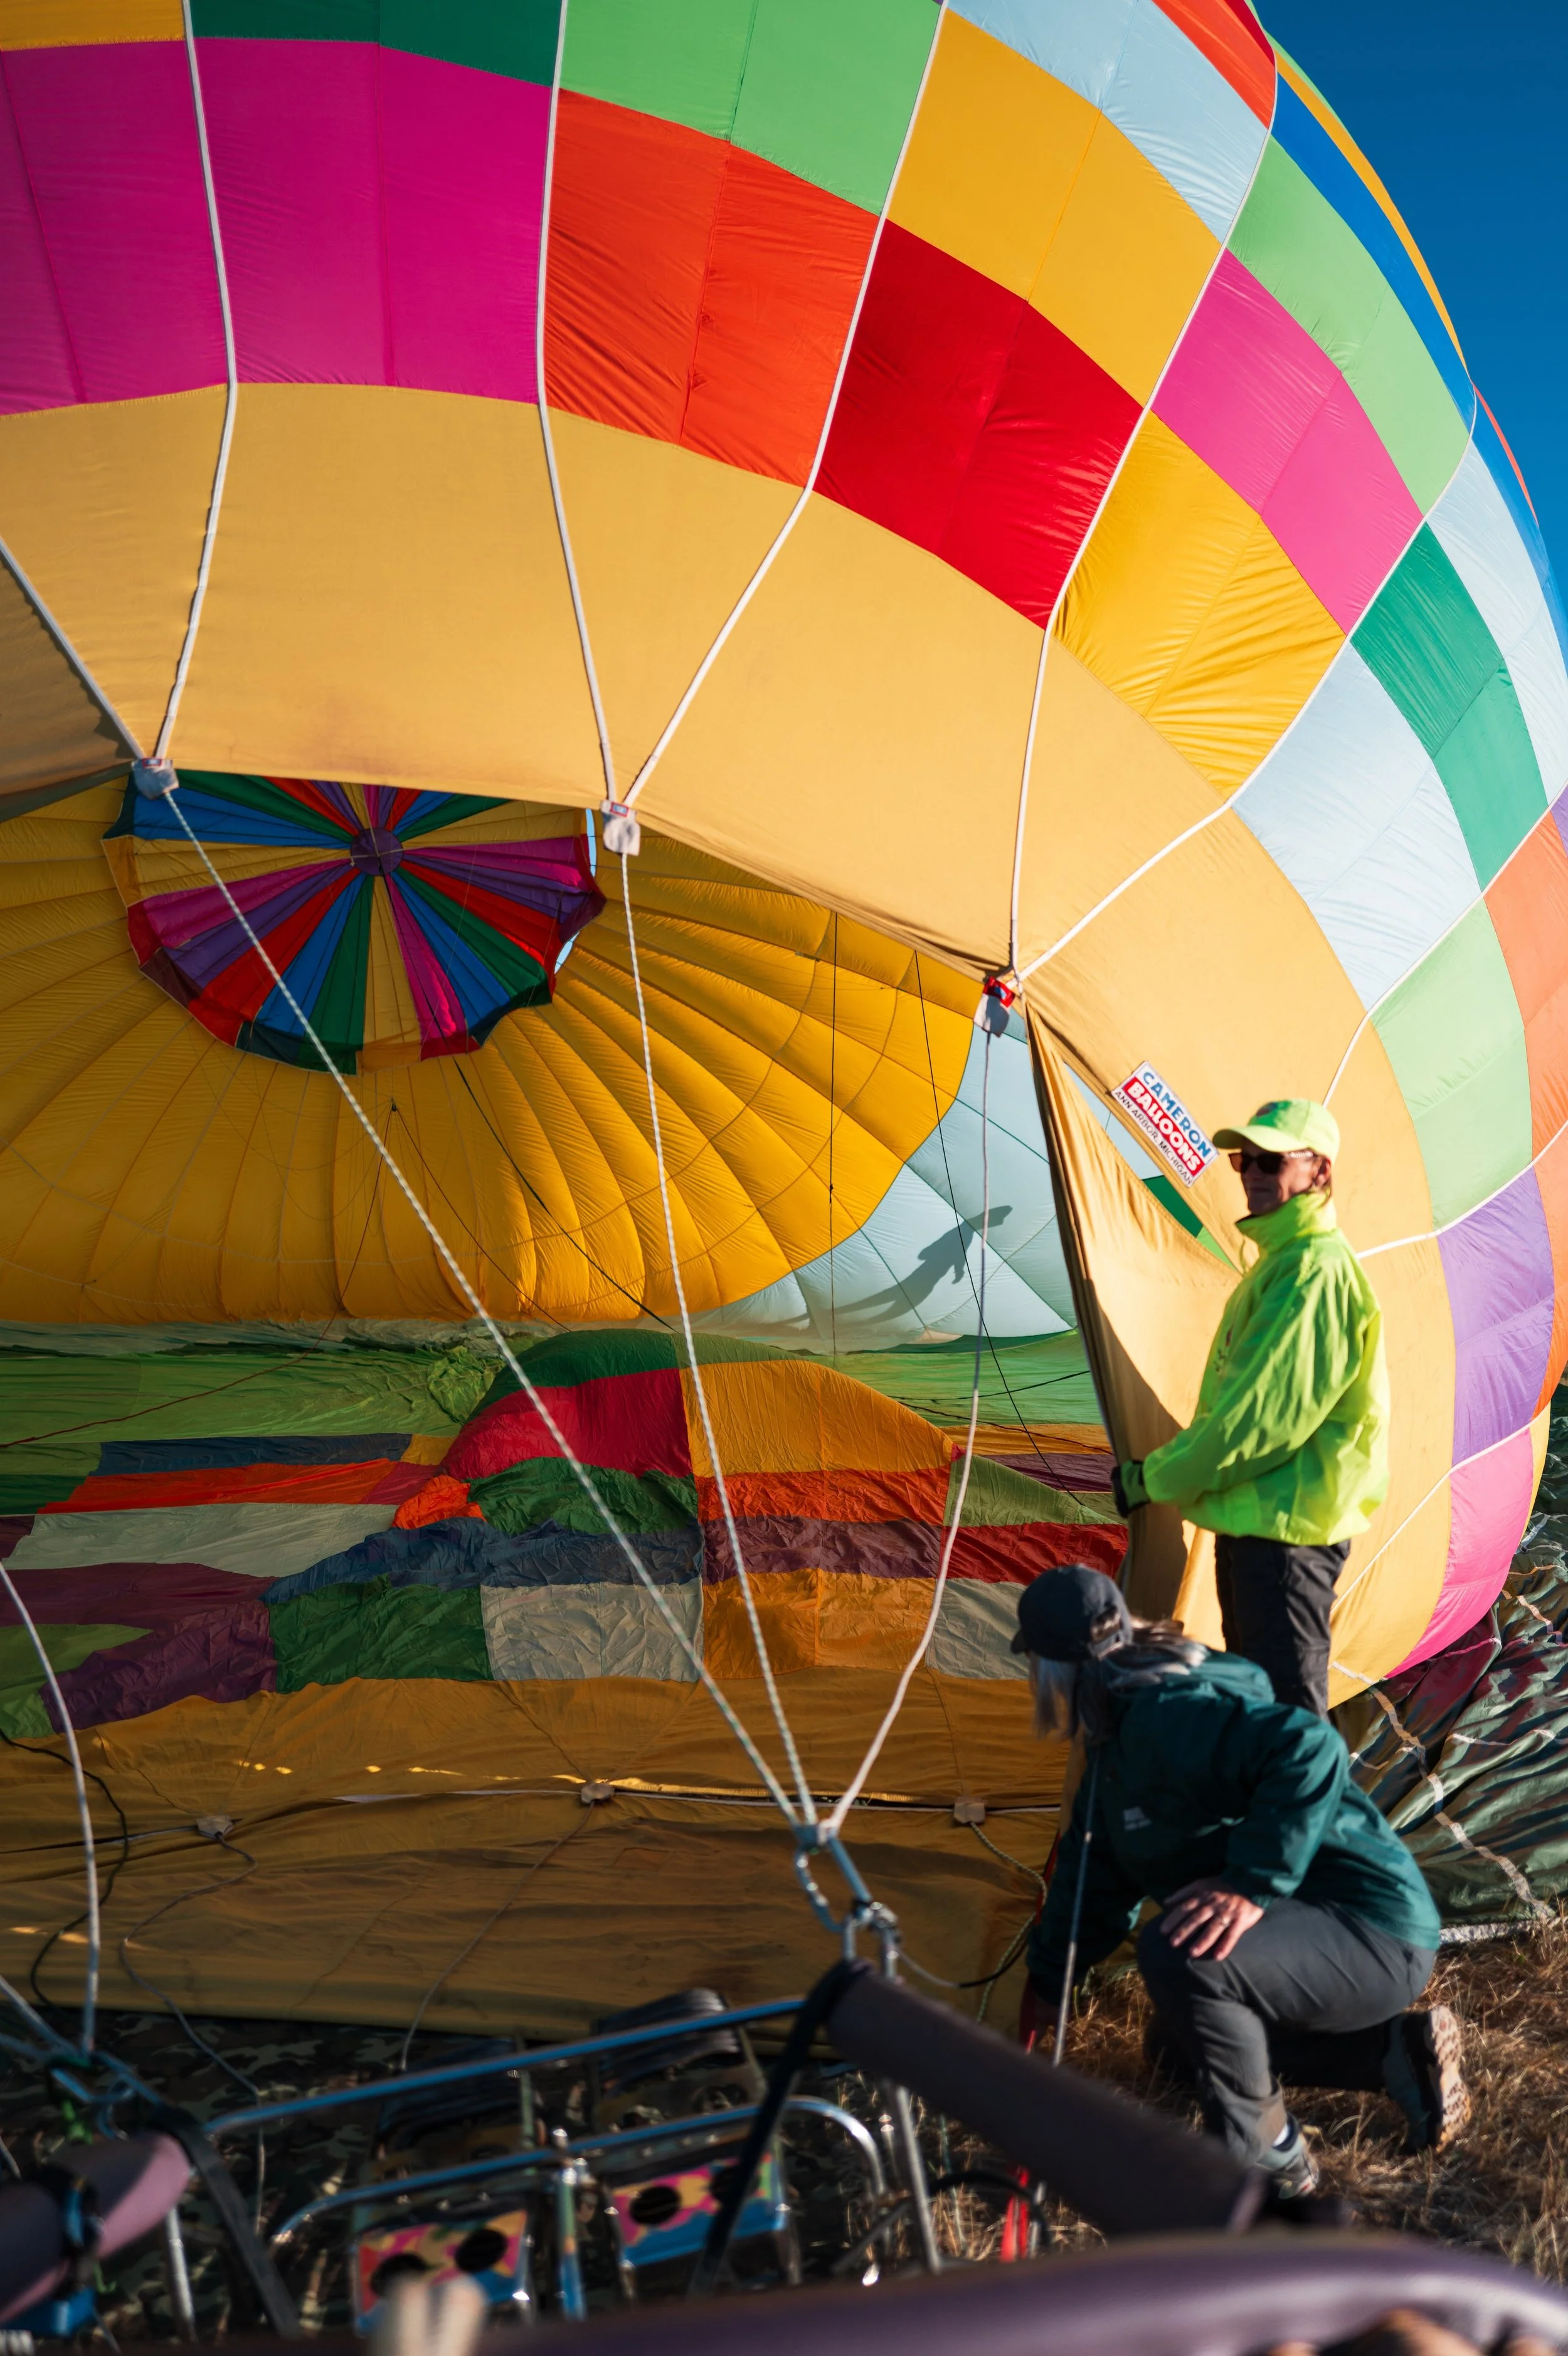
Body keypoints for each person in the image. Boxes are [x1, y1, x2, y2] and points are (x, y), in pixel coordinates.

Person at [1014, 1565, 1467, 2196]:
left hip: (1372, 1931)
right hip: (1317, 1935)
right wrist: (1046, 1983)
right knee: (1178, 2052)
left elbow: (1309, 1749)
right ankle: (1398, 2054)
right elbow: (1093, 1881)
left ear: (1053, 1667)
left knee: (1180, 1955)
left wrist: (1248, 1886)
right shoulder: (1117, 1750)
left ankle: (1268, 2157)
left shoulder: (1170, 1714)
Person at [1115, 1097, 1387, 1717]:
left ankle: (1310, 1817)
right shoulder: (1277, 1267)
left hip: (1286, 1536)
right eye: (1243, 1160)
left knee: (1289, 1720)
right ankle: (1268, 1812)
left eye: (1270, 1159)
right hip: (1255, 1525)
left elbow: (1254, 1424)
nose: (1253, 1173)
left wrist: (1149, 1478)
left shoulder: (1311, 1275)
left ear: (1318, 1171)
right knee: (1260, 1708)